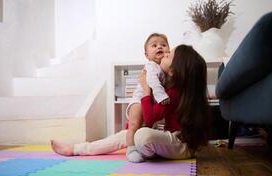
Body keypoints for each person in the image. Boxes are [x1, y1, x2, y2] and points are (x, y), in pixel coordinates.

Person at [51, 44, 211, 160]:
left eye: (168, 55)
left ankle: (145, 152)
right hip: (171, 140)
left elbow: (149, 118)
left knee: (142, 135)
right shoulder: (170, 88)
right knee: (127, 134)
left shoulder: (172, 94)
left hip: (181, 146)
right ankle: (77, 149)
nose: (164, 54)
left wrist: (146, 88)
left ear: (174, 71)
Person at [126, 33, 170, 162]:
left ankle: (142, 148)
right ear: (147, 55)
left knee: (146, 128)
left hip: (149, 101)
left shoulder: (165, 67)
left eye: (163, 45)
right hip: (138, 99)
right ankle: (131, 149)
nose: (159, 47)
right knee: (134, 124)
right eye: (154, 45)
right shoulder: (151, 66)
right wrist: (161, 95)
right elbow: (152, 81)